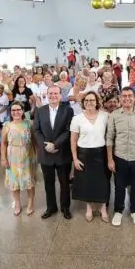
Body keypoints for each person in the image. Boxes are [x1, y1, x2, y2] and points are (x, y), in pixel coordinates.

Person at [106, 87, 135, 226]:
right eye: (124, 96)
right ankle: (118, 211)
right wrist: (110, 159)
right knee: (119, 186)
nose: (127, 98)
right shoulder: (114, 115)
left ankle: (134, 211)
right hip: (119, 156)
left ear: (134, 98)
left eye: (130, 96)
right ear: (120, 98)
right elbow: (109, 137)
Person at [33, 85, 75, 220]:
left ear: (61, 96)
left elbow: (68, 130)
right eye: (50, 93)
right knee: (48, 183)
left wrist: (55, 144)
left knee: (64, 183)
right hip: (45, 153)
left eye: (56, 93)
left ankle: (65, 208)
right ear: (47, 95)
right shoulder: (40, 111)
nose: (53, 96)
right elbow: (36, 130)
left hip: (62, 152)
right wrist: (46, 145)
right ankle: (51, 207)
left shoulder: (68, 110)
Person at [70, 91, 110, 222]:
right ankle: (89, 207)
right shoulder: (77, 118)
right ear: (83, 102)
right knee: (86, 182)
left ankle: (103, 208)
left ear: (97, 102)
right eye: (86, 100)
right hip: (84, 154)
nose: (89, 102)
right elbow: (73, 140)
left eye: (92, 100)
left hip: (101, 153)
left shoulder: (105, 116)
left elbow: (110, 136)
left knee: (103, 182)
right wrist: (75, 159)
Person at [0, 101, 37, 216]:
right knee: (14, 181)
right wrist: (3, 158)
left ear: (23, 111)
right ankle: (17, 203)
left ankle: (30, 203)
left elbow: (34, 140)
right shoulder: (7, 125)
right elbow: (3, 143)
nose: (16, 112)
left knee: (29, 181)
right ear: (10, 112)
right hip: (13, 157)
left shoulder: (29, 124)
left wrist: (37, 154)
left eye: (18, 110)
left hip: (28, 155)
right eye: (13, 110)